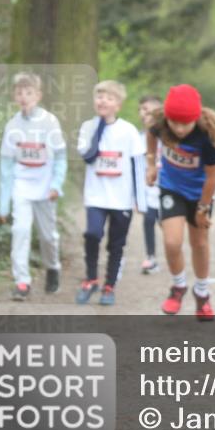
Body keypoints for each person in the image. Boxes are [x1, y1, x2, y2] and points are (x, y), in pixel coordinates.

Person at [146, 84, 215, 321]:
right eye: (175, 123)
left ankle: (202, 293)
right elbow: (151, 135)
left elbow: (212, 177)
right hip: (171, 188)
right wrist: (151, 163)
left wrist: (203, 208)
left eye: (185, 124)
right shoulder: (161, 123)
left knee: (199, 243)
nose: (179, 129)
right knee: (172, 242)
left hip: (200, 194)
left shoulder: (206, 136)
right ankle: (178, 286)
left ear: (195, 119)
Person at [74, 81, 147, 305]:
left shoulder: (129, 131)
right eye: (99, 97)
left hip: (121, 198)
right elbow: (88, 156)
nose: (103, 101)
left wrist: (140, 200)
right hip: (96, 196)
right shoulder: (88, 127)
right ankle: (91, 279)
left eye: (109, 98)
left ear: (118, 105)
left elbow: (138, 165)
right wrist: (100, 127)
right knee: (92, 234)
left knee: (116, 243)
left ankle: (109, 285)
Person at [0, 72, 67, 301]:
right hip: (22, 186)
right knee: (20, 230)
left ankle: (53, 267)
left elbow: (61, 157)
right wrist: (3, 204)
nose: (24, 97)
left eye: (29, 93)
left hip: (45, 187)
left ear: (38, 95)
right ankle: (22, 281)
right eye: (19, 93)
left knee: (48, 237)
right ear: (14, 96)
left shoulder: (50, 122)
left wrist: (56, 184)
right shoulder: (12, 125)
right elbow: (6, 167)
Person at [138, 95, 163, 274]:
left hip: (167, 188)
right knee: (148, 220)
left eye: (147, 109)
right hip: (148, 188)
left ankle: (174, 254)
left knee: (166, 224)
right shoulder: (138, 138)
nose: (143, 113)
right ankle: (151, 257)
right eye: (141, 110)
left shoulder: (168, 136)